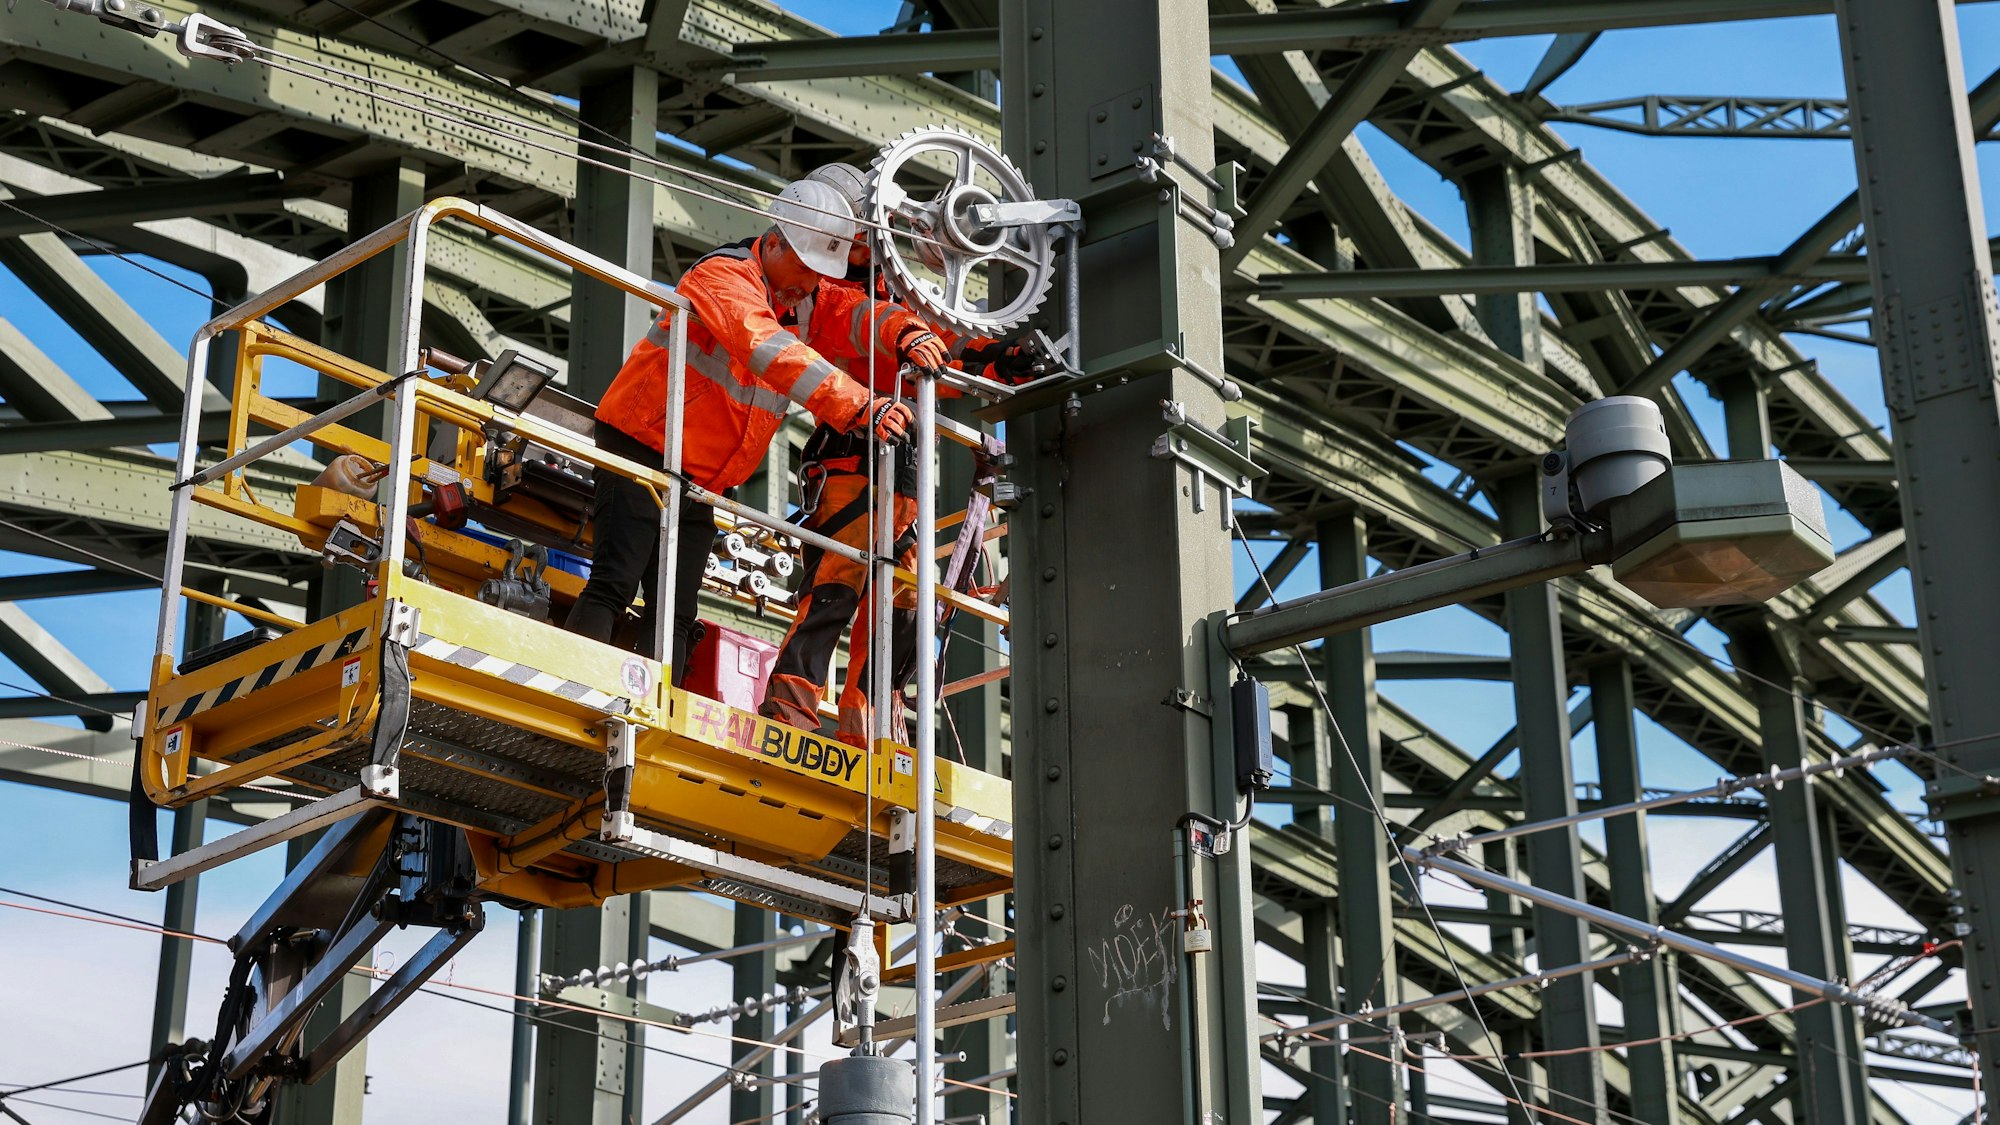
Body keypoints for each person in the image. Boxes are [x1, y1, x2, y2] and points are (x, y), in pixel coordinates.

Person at [564, 178, 953, 679]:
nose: (808, 286)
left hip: (703, 479)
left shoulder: (806, 298)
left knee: (677, 611)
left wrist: (905, 331)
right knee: (615, 580)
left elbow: (854, 313)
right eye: (803, 272)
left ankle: (653, 711)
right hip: (643, 446)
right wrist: (862, 406)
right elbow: (767, 346)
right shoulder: (724, 276)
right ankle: (577, 687)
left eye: (817, 276)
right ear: (773, 243)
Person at [758, 164, 1054, 746]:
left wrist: (1000, 359)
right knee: (835, 588)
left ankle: (871, 734)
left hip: (903, 468)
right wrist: (908, 333)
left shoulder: (893, 295)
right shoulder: (827, 289)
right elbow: (862, 328)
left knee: (906, 609)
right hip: (851, 457)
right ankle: (790, 717)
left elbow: (941, 354)